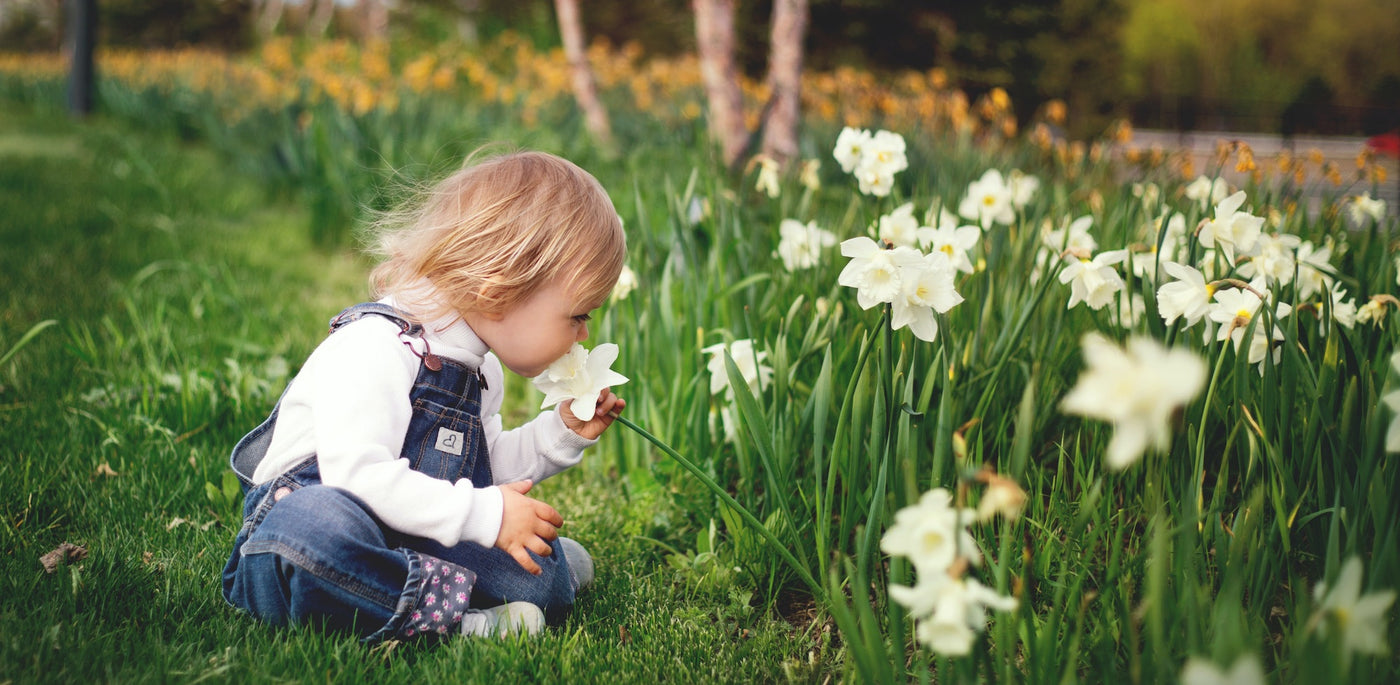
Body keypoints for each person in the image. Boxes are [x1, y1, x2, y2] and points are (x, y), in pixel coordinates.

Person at [221, 149, 627, 641]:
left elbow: (482, 470)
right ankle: (458, 623)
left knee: (539, 574)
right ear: (500, 290)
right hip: (311, 531)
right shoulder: (377, 347)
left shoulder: (480, 370)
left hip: (408, 530)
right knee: (315, 531)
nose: (583, 335)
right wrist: (486, 515)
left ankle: (523, 578)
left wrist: (558, 435)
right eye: (578, 315)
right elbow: (357, 478)